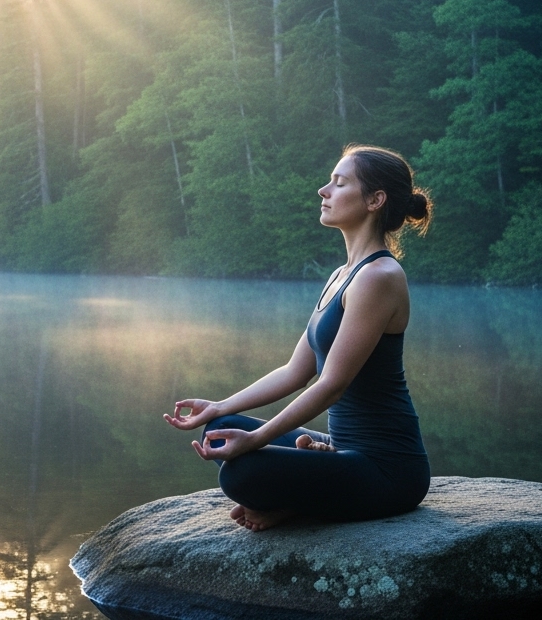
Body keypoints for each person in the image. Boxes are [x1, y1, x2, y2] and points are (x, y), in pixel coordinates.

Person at [162, 144, 434, 531]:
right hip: (343, 450)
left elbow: (331, 386)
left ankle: (298, 501)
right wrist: (218, 406)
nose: (323, 191)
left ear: (375, 200)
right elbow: (294, 372)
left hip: (388, 469)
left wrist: (257, 441)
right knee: (220, 430)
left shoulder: (379, 277)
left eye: (338, 184)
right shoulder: (343, 275)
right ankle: (305, 490)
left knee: (241, 474)